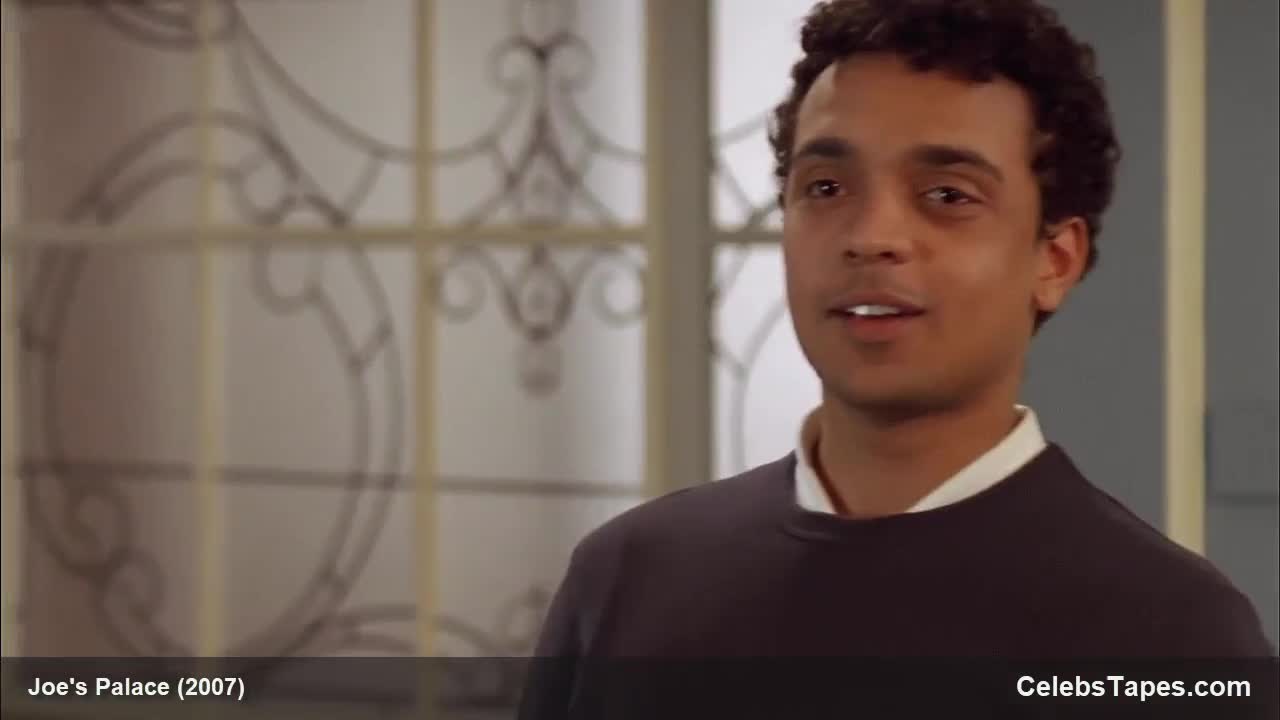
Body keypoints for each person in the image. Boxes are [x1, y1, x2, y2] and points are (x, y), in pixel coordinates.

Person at [519, 0, 1274, 714]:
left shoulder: (1171, 635)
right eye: (826, 187)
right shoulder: (627, 577)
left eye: (947, 195)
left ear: (1054, 259)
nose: (871, 236)